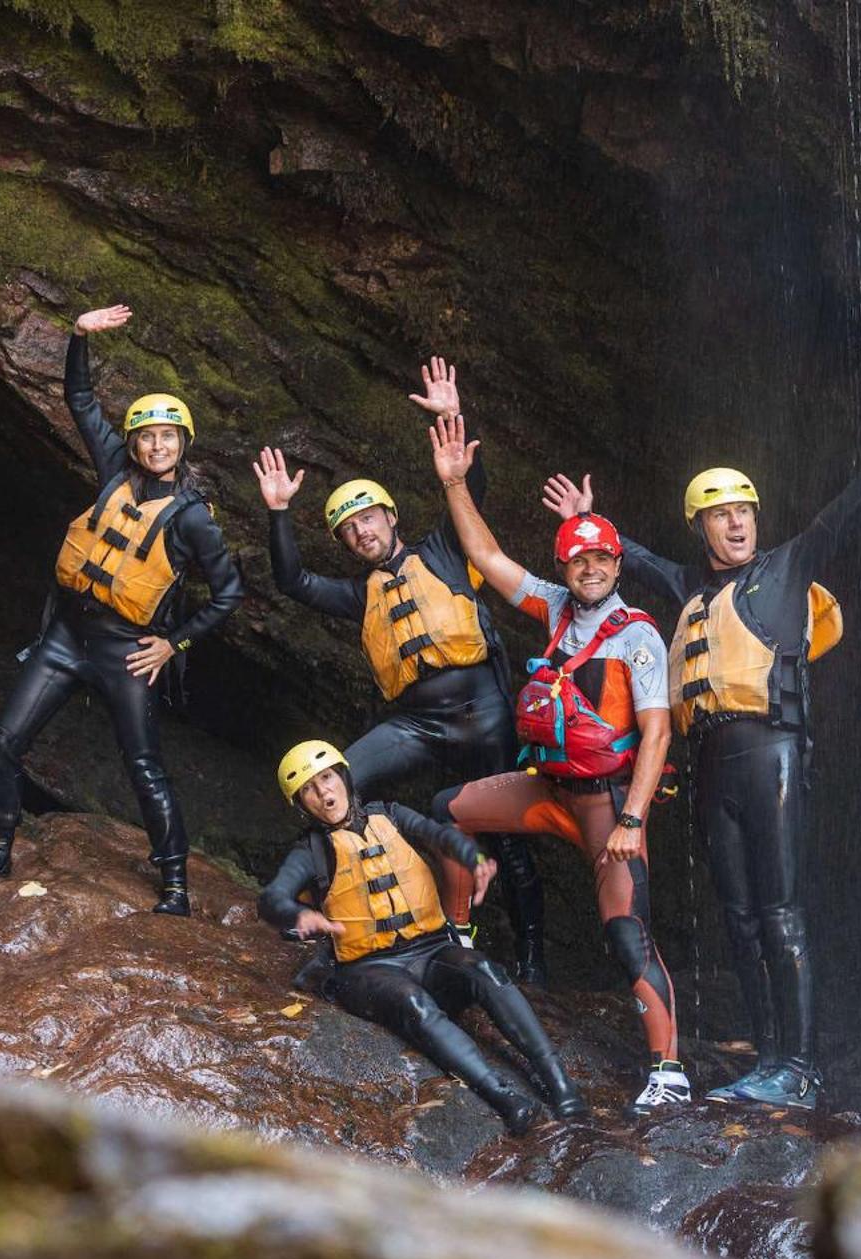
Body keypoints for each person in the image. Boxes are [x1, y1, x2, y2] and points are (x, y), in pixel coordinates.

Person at [543, 372, 861, 1108]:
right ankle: (768, 1057)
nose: (736, 523)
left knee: (781, 908)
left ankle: (802, 1066)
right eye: (720, 514)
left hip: (770, 751)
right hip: (711, 764)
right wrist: (597, 521)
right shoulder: (691, 586)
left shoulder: (784, 568)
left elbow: (839, 518)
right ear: (701, 525)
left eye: (744, 511)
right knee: (739, 913)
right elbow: (643, 562)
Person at [251, 359, 547, 984]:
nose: (361, 531)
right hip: (417, 723)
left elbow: (473, 490)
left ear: (391, 518)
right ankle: (348, 920)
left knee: (511, 840)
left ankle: (532, 958)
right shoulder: (358, 597)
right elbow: (290, 581)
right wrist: (280, 513)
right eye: (348, 528)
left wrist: (449, 417)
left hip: (484, 711)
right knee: (333, 782)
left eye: (368, 518)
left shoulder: (441, 548)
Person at [426, 413, 688, 1117]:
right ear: (566, 566)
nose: (591, 569)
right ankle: (457, 938)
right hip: (548, 789)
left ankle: (669, 1067)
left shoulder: (636, 635)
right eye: (579, 561)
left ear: (616, 563)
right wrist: (455, 484)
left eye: (601, 559)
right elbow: (486, 558)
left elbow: (657, 733)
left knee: (626, 933)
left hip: (609, 804)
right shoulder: (551, 607)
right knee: (450, 809)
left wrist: (632, 819)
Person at [0, 304, 244, 915]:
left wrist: (175, 644)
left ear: (182, 444)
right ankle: (0, 848)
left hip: (127, 653)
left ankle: (174, 883)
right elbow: (80, 399)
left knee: (144, 765)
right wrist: (79, 336)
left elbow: (229, 594)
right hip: (67, 637)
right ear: (135, 443)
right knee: (6, 740)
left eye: (168, 436)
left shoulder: (193, 517)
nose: (157, 444)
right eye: (148, 435)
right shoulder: (114, 468)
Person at [258, 740, 587, 1135]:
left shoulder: (391, 815)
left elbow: (440, 835)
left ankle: (560, 1083)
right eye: (309, 790)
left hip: (432, 951)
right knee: (415, 1004)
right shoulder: (310, 852)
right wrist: (299, 914)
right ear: (301, 805)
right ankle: (505, 1098)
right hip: (369, 970)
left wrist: (474, 859)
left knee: (484, 969)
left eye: (327, 779)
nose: (324, 794)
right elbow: (271, 900)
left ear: (343, 777)